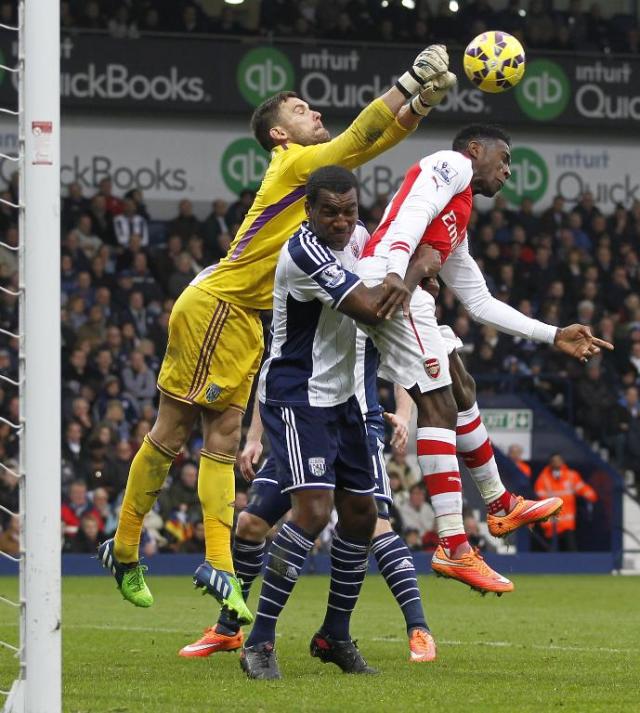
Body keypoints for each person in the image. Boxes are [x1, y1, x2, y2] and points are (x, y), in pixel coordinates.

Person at [98, 44, 455, 619]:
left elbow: (366, 146)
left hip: (235, 313)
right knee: (191, 436)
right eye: (299, 109)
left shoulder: (306, 175)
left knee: (202, 437)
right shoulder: (291, 164)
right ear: (279, 136)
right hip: (221, 306)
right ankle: (198, 561)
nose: (314, 112)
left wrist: (419, 105)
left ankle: (134, 551)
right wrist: (407, 82)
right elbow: (357, 140)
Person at [356, 124, 613, 594]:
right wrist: (397, 271)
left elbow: (480, 303)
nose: (508, 171)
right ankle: (453, 546)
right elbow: (413, 209)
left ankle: (499, 504)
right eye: (505, 158)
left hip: (404, 287)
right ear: (476, 150)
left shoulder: (459, 218)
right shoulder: (450, 164)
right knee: (439, 405)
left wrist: (553, 334)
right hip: (391, 285)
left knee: (460, 385)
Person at [237, 166, 440, 679]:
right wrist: (414, 271)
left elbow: (387, 297)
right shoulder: (304, 252)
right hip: (300, 396)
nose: (341, 221)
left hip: (352, 400)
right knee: (312, 510)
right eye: (330, 211)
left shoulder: (364, 239)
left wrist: (410, 269)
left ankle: (334, 635)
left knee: (359, 516)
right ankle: (258, 641)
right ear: (309, 211)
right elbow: (373, 309)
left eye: (349, 210)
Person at [534, 453, 598, 551]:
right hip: (551, 524)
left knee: (571, 550)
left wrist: (591, 496)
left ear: (563, 462)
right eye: (554, 461)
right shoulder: (543, 479)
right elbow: (540, 499)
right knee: (552, 553)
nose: (556, 463)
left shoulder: (571, 476)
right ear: (550, 463)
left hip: (567, 523)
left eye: (558, 460)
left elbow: (582, 488)